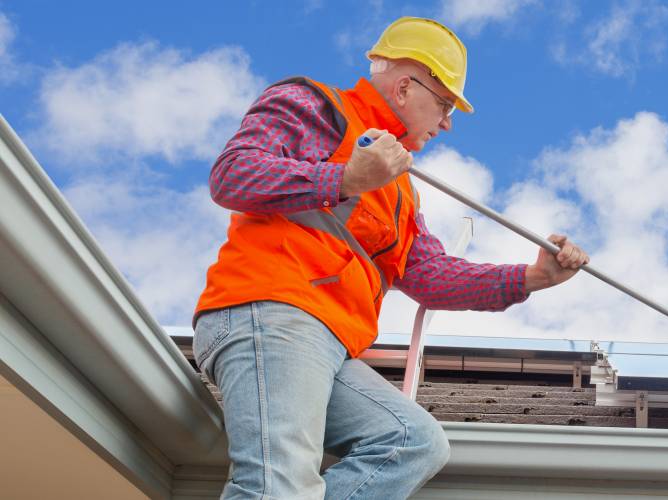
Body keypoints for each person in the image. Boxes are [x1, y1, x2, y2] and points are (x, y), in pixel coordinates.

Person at [191, 17, 589, 499]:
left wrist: (531, 277)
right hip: (276, 311)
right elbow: (234, 175)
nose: (447, 123)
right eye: (445, 105)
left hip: (333, 342)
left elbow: (427, 274)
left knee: (411, 442)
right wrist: (344, 179)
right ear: (405, 86)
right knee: (277, 485)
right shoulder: (316, 105)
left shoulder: (398, 186)